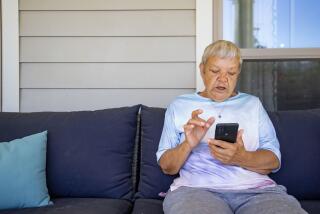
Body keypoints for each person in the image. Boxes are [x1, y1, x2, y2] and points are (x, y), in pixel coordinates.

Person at [156, 40, 307, 214]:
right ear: (202, 69)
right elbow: (167, 167)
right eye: (215, 71)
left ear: (238, 75)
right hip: (195, 190)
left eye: (231, 73)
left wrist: (240, 157)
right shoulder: (179, 105)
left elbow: (273, 160)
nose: (223, 79)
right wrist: (188, 144)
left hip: (257, 191)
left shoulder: (252, 104)